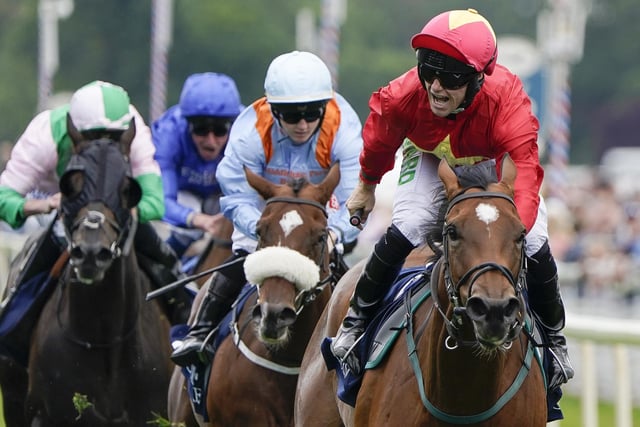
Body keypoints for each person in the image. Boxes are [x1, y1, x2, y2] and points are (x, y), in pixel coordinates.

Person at [329, 8, 574, 390]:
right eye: (428, 70)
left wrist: (512, 230)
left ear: (479, 78)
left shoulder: (508, 101)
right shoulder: (401, 96)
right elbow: (380, 139)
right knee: (409, 223)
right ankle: (355, 322)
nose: (436, 87)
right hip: (429, 157)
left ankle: (555, 342)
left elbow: (525, 173)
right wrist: (367, 185)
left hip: (491, 163)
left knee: (537, 238)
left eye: (452, 77)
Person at [170, 50, 364, 366]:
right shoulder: (250, 132)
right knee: (244, 252)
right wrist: (263, 233)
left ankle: (357, 336)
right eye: (291, 115)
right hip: (266, 212)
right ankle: (200, 331)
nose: (302, 124)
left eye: (312, 113)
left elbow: (356, 199)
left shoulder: (344, 129)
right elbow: (236, 198)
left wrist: (335, 234)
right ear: (273, 110)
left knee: (342, 269)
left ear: (325, 106)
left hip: (318, 216)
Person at [0, 80, 189, 326]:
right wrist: (44, 205)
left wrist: (123, 209)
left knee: (166, 262)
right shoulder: (44, 134)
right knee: (29, 279)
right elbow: (4, 198)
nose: (103, 147)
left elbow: (154, 203)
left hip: (117, 214)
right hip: (64, 211)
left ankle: (190, 323)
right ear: (73, 130)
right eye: (92, 137)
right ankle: (10, 333)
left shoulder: (134, 126)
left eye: (113, 139)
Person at [152, 72, 243, 259]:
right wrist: (194, 219)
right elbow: (161, 199)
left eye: (220, 130)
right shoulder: (168, 134)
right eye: (201, 129)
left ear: (232, 126)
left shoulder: (246, 131)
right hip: (184, 199)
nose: (210, 141)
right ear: (188, 125)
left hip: (225, 198)